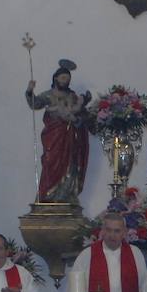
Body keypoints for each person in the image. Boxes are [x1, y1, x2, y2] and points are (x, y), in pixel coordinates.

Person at [25, 59, 92, 205]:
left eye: (68, 79)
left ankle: (66, 195)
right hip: (54, 136)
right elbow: (35, 103)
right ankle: (48, 194)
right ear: (56, 78)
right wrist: (30, 91)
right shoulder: (49, 95)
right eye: (63, 78)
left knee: (70, 164)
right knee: (50, 162)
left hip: (70, 138)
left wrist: (81, 115)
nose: (65, 81)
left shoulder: (73, 96)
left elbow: (81, 114)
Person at [71, 211, 146, 292]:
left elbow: (144, 288)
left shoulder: (135, 254)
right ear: (102, 231)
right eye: (108, 230)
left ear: (124, 232)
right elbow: (76, 291)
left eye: (117, 231)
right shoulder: (87, 255)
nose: (112, 235)